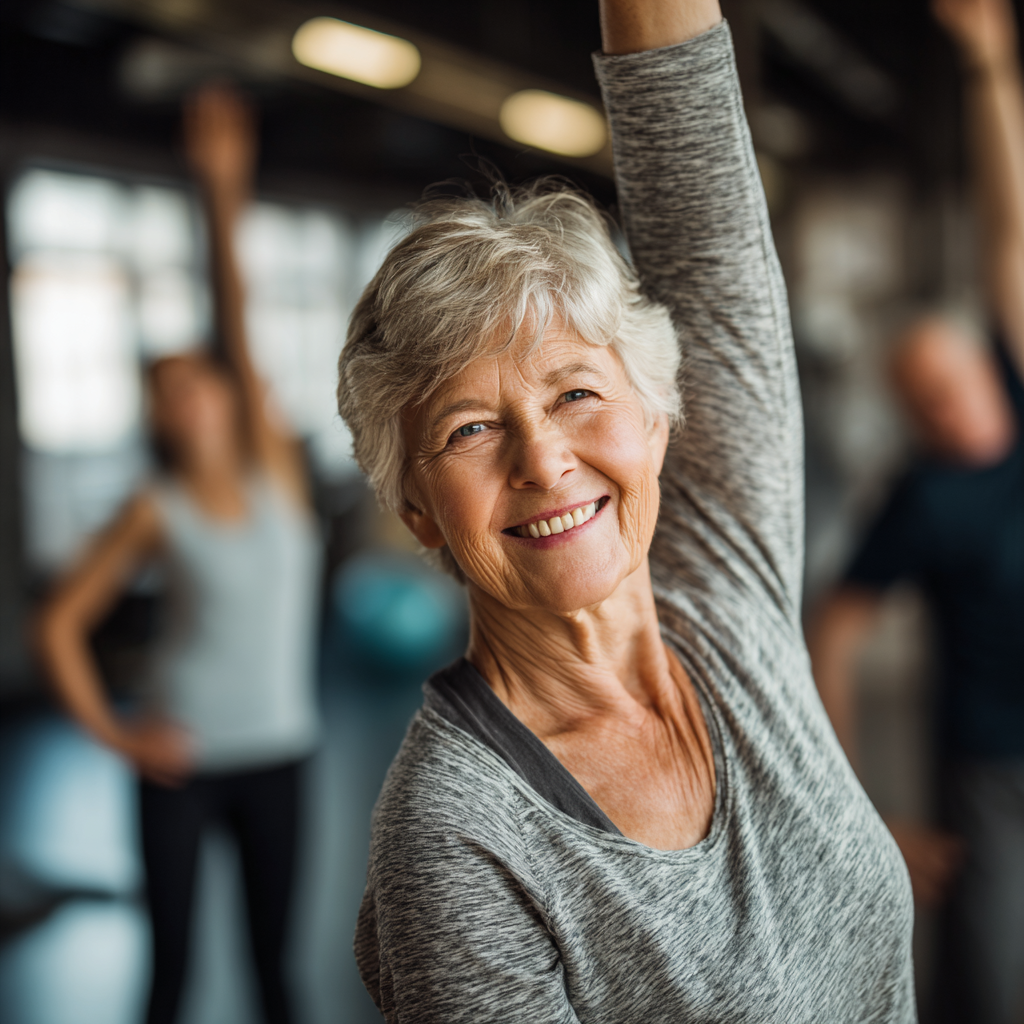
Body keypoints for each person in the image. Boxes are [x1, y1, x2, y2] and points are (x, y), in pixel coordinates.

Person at [335, 0, 915, 1019]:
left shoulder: (726, 583)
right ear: (418, 510)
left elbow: (705, 218)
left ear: (656, 421)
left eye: (574, 393)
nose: (544, 459)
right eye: (469, 428)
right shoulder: (460, 840)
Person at [37, 86, 320, 1024]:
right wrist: (119, 738)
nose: (191, 395)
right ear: (159, 415)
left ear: (227, 393)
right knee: (169, 985)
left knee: (278, 981)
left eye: (200, 379)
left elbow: (237, 323)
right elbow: (60, 624)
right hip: (181, 759)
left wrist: (222, 190)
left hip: (280, 752)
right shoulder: (152, 508)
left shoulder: (277, 469)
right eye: (170, 389)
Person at [807, 0, 1024, 1020]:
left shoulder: (1021, 393)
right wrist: (861, 812)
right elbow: (834, 633)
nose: (947, 408)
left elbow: (1009, 231)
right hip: (990, 767)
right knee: (987, 988)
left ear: (986, 362)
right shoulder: (921, 499)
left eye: (954, 382)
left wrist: (989, 65)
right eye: (920, 399)